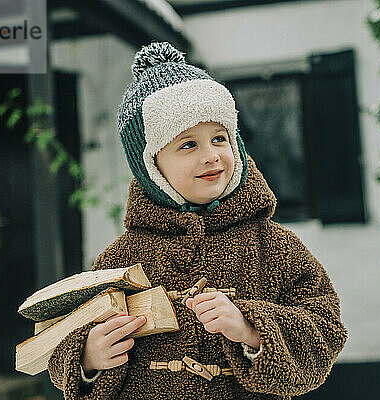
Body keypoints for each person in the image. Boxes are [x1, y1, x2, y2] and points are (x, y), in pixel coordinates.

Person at [48, 41, 348, 400]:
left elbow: (325, 330)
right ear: (151, 167)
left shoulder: (275, 246)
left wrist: (251, 329)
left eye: (219, 138)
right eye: (188, 144)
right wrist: (88, 359)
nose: (211, 156)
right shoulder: (119, 260)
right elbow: (62, 342)